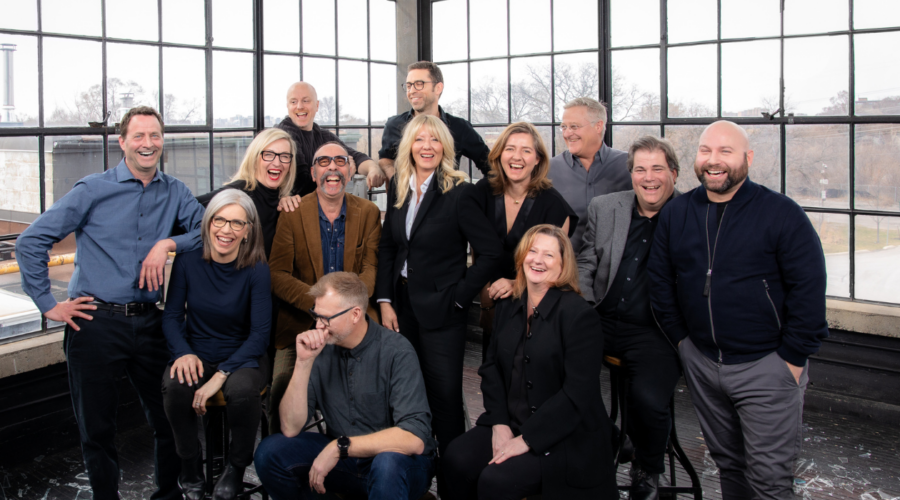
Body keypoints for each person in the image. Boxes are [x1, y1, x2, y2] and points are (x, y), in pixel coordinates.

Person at [15, 106, 205, 499]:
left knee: (171, 418)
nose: (148, 143)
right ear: (122, 142)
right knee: (97, 429)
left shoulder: (175, 191)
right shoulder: (92, 189)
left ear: (162, 141)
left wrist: (167, 244)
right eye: (139, 136)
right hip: (95, 323)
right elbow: (30, 241)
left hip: (151, 323)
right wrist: (48, 304)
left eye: (155, 135)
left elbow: (208, 230)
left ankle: (168, 496)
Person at [648, 121, 828, 500]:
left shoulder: (781, 213)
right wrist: (683, 343)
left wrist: (792, 360)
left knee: (769, 481)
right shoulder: (677, 213)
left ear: (748, 158)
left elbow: (809, 290)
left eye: (725, 151)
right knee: (729, 467)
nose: (713, 160)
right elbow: (660, 283)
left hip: (767, 366)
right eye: (705, 151)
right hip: (702, 361)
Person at [442, 224, 617, 500]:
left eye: (549, 255)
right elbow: (491, 369)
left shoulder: (580, 316)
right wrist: (499, 424)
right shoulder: (509, 304)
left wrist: (526, 440)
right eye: (532, 251)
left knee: (497, 480)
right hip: (511, 422)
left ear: (563, 265)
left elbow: (577, 394)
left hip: (564, 435)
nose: (537, 260)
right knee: (456, 459)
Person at [376, 114, 502, 459]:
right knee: (404, 394)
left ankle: (452, 476)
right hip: (401, 307)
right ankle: (415, 472)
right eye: (419, 139)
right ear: (409, 146)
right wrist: (385, 300)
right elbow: (389, 247)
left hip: (444, 311)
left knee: (445, 399)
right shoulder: (398, 185)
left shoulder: (459, 192)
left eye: (434, 140)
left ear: (445, 147)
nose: (427, 146)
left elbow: (491, 252)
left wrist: (460, 298)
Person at [254, 272, 436, 499]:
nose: (318, 325)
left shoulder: (397, 351)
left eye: (326, 318)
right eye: (316, 315)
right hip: (347, 461)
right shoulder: (320, 348)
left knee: (387, 464)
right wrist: (303, 363)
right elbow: (290, 428)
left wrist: (339, 447)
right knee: (269, 452)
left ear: (355, 314)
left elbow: (414, 439)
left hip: (400, 464)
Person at [577, 136, 682, 500]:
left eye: (657, 169)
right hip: (600, 318)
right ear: (631, 174)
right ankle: (611, 439)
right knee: (554, 370)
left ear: (673, 173)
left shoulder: (690, 213)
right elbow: (586, 263)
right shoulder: (605, 207)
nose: (648, 178)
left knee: (648, 399)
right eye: (640, 169)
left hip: (656, 329)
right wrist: (585, 308)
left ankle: (647, 467)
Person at [161, 190, 272, 500]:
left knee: (242, 391)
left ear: (248, 230)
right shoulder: (187, 261)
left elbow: (260, 334)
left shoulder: (257, 268)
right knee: (175, 387)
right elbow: (171, 318)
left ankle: (236, 467)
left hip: (244, 353)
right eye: (219, 220)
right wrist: (183, 353)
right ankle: (190, 464)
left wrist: (221, 374)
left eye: (237, 223)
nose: (226, 230)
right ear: (208, 223)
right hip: (197, 351)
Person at [267, 141, 382, 434]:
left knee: (368, 390)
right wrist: (321, 308)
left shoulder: (369, 212)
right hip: (301, 321)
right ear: (313, 173)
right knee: (282, 387)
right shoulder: (292, 212)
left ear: (351, 171)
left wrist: (343, 311)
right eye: (324, 162)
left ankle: (356, 449)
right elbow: (277, 274)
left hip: (354, 322)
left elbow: (371, 269)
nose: (333, 168)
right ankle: (280, 452)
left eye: (340, 161)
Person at [471, 121, 576, 362]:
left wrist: (516, 283)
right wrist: (486, 300)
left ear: (538, 159)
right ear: (499, 154)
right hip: (492, 299)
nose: (516, 157)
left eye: (526, 150)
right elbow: (477, 249)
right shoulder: (482, 192)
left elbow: (558, 270)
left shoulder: (555, 206)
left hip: (535, 307)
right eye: (510, 148)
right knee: (492, 373)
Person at [377, 61, 491, 180]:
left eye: (419, 84)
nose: (411, 91)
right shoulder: (394, 125)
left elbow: (490, 165)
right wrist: (397, 182)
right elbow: (385, 159)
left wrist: (475, 191)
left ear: (438, 88)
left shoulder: (460, 127)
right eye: (409, 85)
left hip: (448, 191)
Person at [197, 128, 298, 258]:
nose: (277, 163)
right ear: (254, 159)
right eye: (268, 155)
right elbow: (186, 211)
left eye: (284, 156)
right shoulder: (237, 193)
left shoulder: (284, 201)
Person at [548, 97, 631, 253]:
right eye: (564, 127)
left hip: (617, 264)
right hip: (566, 264)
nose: (567, 133)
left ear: (598, 126)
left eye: (574, 126)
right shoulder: (548, 170)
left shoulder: (628, 165)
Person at [277, 82, 384, 192]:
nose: (299, 106)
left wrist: (373, 168)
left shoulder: (321, 135)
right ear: (287, 106)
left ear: (317, 105)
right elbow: (302, 185)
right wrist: (343, 173)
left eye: (306, 101)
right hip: (292, 202)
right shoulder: (284, 135)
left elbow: (355, 157)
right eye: (293, 102)